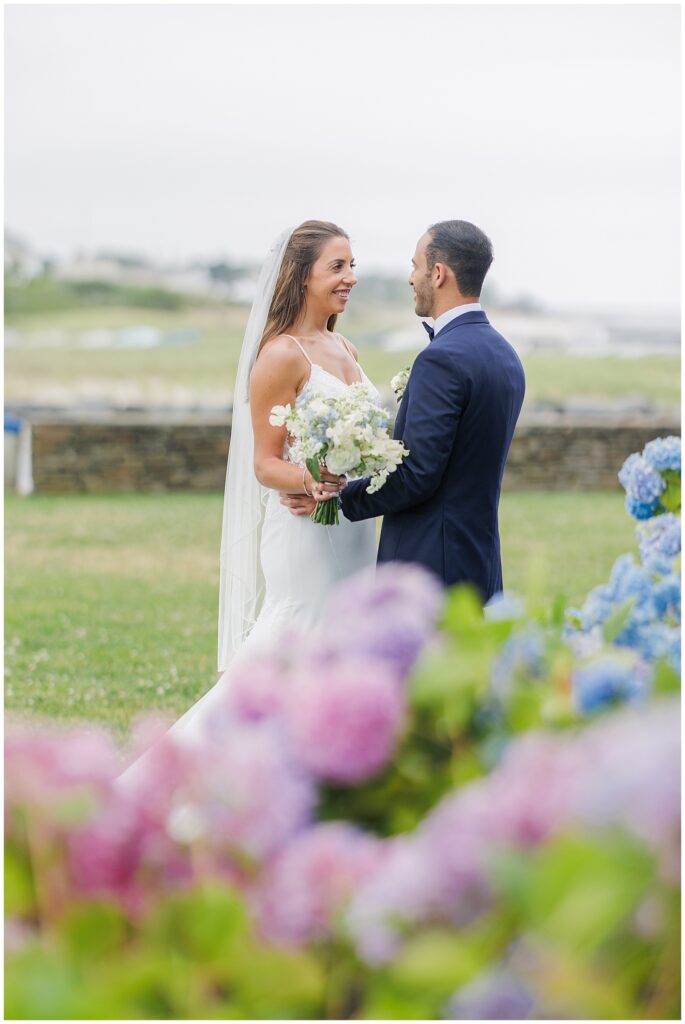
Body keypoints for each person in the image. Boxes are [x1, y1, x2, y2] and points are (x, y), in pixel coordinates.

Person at [119, 221, 379, 772]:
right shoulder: (280, 356)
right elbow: (265, 462)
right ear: (302, 276)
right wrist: (314, 482)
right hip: (307, 529)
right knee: (293, 646)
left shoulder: (343, 345)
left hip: (353, 528)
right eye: (337, 266)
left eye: (352, 265)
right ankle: (194, 772)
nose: (350, 277)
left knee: (337, 652)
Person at [281, 220, 526, 603]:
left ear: (439, 273)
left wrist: (338, 499)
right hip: (480, 561)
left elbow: (417, 476)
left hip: (430, 563)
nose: (411, 278)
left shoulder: (441, 360)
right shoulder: (506, 356)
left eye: (415, 266)